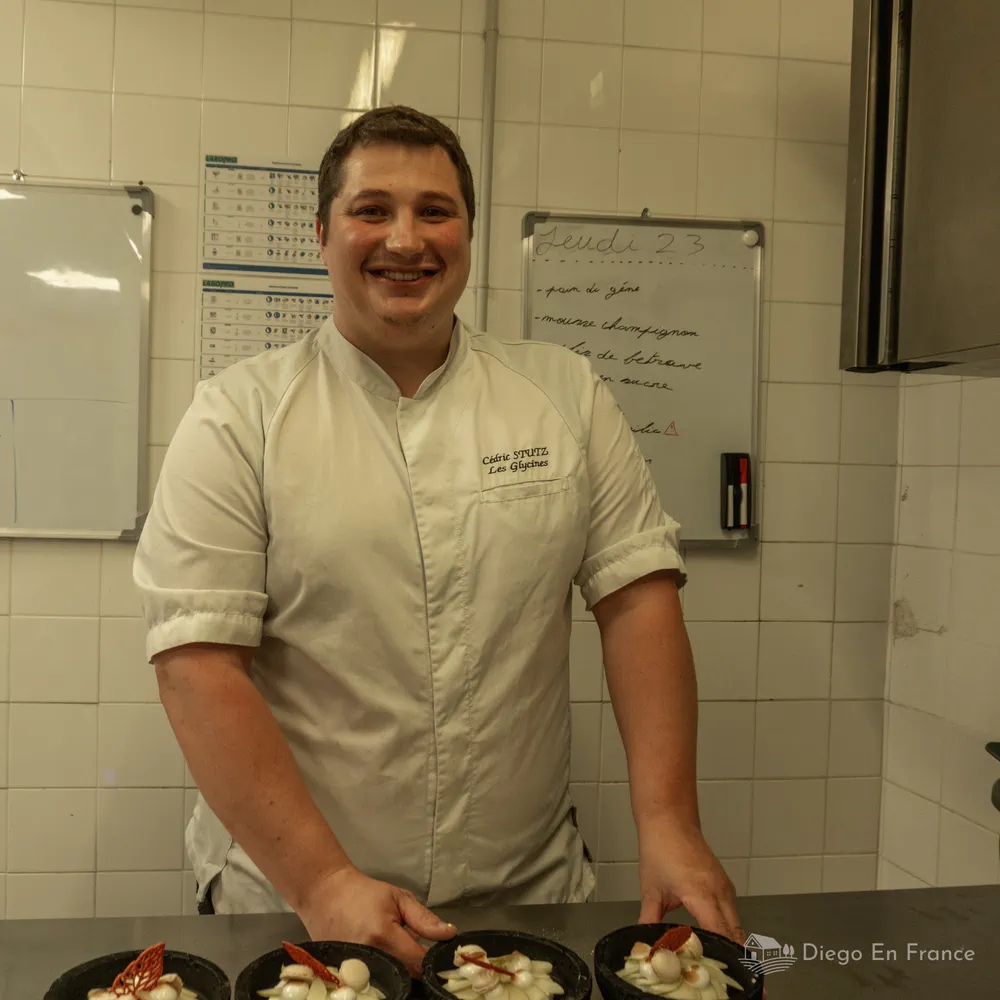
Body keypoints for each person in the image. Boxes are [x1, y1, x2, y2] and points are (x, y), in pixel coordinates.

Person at [134, 105, 744, 974]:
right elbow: (196, 664)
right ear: (323, 232)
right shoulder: (239, 416)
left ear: (468, 232)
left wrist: (670, 824)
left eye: (435, 210)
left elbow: (637, 597)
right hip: (294, 904)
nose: (405, 238)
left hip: (523, 893)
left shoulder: (562, 395)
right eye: (372, 210)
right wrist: (323, 882)